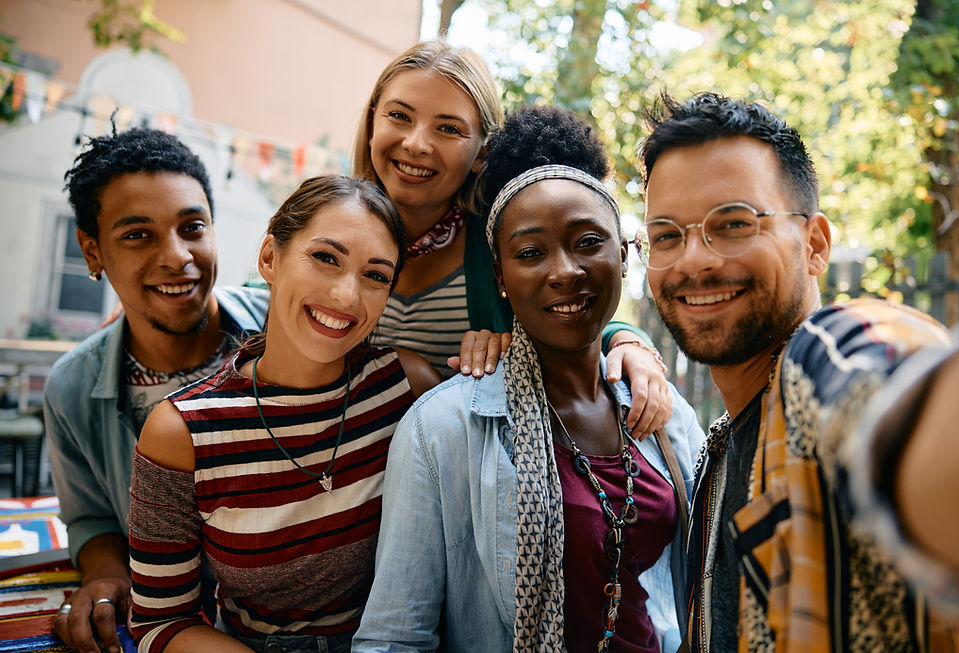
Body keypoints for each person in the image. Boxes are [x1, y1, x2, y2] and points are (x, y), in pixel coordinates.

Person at [353, 105, 705, 653]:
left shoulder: (664, 414)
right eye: (531, 252)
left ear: (625, 255)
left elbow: (695, 598)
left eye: (589, 242)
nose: (564, 271)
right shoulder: (443, 428)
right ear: (500, 275)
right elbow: (394, 636)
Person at [638, 91, 959, 651]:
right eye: (667, 236)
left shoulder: (827, 355)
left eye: (734, 223)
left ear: (814, 244)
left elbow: (883, 393)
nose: (694, 259)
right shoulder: (711, 463)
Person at [128, 175, 441, 652]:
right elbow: (160, 623)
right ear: (270, 258)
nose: (346, 297)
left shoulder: (406, 386)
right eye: (325, 258)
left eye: (375, 276)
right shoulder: (181, 432)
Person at [353, 39, 673, 436]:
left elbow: (575, 314)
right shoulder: (333, 221)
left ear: (481, 154)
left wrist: (629, 343)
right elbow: (269, 299)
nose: (417, 143)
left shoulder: (506, 244)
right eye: (399, 116)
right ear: (371, 124)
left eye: (448, 128)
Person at [46, 127, 269, 653]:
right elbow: (91, 516)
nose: (177, 257)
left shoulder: (286, 327)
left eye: (193, 227)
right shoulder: (73, 388)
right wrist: (103, 574)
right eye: (138, 234)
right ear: (92, 250)